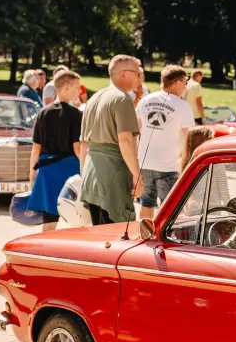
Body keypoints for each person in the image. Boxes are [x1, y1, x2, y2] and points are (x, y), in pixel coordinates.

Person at [79, 55, 145, 224]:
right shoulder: (122, 99)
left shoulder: (94, 98)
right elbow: (125, 140)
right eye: (137, 73)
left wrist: (83, 174)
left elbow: (84, 143)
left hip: (91, 174)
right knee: (115, 235)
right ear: (124, 74)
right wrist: (137, 175)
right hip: (113, 173)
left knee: (98, 235)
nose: (140, 77)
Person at [27, 69, 86, 231]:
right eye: (76, 87)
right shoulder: (76, 115)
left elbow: (36, 147)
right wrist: (86, 170)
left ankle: (44, 252)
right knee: (75, 217)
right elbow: (77, 147)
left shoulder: (42, 112)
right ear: (66, 87)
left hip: (47, 171)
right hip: (69, 170)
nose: (79, 90)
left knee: (49, 221)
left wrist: (32, 173)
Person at [135, 65, 195, 220]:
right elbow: (188, 136)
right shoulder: (182, 106)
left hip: (145, 162)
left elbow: (138, 130)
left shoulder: (145, 101)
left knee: (146, 203)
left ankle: (145, 235)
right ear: (176, 82)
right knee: (171, 208)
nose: (186, 86)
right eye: (185, 82)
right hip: (169, 165)